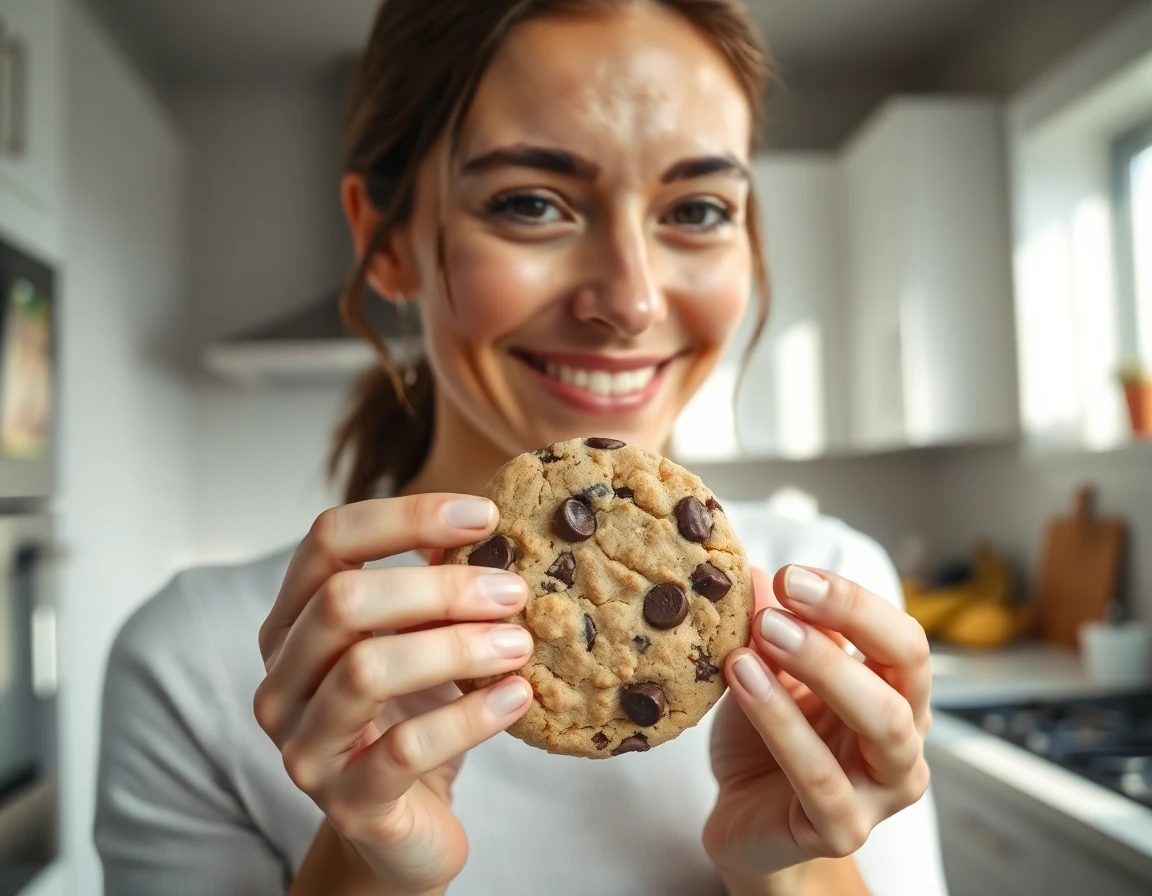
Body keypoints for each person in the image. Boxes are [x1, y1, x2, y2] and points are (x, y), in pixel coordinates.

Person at [95, 1, 950, 893]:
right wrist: (365, 861)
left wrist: (797, 865)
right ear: (384, 244)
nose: (633, 301)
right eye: (531, 203)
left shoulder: (830, 601)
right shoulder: (192, 665)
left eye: (696, 208)